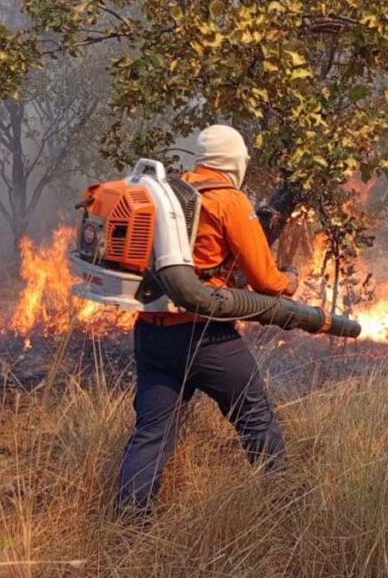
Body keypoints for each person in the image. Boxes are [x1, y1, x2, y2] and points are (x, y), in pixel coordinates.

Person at [115, 124, 299, 513]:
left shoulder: (167, 192)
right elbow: (265, 280)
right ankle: (289, 510)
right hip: (205, 337)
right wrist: (290, 282)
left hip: (151, 331)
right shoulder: (230, 200)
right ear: (235, 161)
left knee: (151, 433)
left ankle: (126, 529)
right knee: (255, 418)